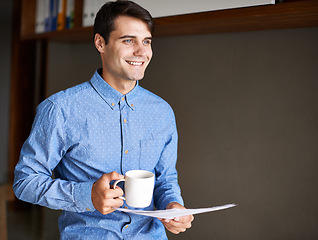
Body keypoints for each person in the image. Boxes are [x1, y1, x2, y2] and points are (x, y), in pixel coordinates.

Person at [13, 0, 193, 239]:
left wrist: (173, 205)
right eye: (129, 40)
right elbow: (25, 182)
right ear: (100, 43)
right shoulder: (60, 109)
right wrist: (87, 195)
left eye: (146, 41)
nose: (142, 51)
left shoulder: (162, 111)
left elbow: (166, 178)